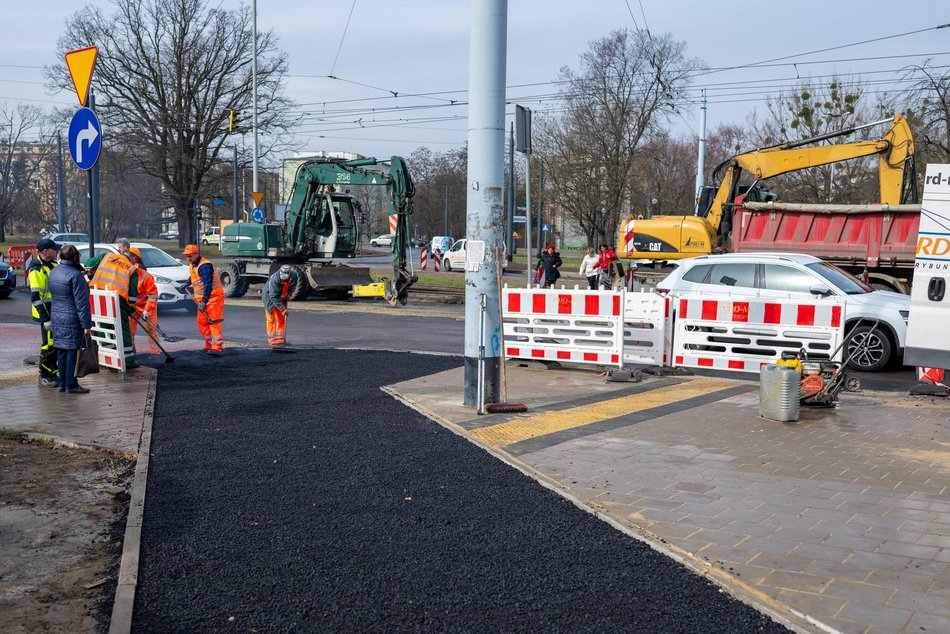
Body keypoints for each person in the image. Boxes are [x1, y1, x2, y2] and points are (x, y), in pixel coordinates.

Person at [47, 245, 92, 394]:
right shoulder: (76, 276)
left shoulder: (54, 272)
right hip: (72, 317)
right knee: (72, 351)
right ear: (75, 257)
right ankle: (71, 384)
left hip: (57, 316)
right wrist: (86, 324)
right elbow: (82, 303)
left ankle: (62, 383)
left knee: (61, 350)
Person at [85, 247, 139, 367]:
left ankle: (107, 358)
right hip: (117, 298)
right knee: (123, 328)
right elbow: (132, 293)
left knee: (102, 325)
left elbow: (89, 263)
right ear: (133, 257)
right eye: (136, 261)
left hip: (97, 294)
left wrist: (92, 272)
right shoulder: (132, 269)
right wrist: (131, 307)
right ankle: (128, 360)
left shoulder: (106, 256)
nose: (136, 263)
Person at [28, 238, 61, 387]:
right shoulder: (36, 268)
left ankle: (52, 373)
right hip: (47, 314)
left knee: (54, 344)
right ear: (46, 251)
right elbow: (35, 297)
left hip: (55, 311)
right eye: (54, 249)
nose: (57, 251)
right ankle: (45, 375)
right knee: (48, 345)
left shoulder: (53, 264)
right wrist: (46, 319)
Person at [182, 244, 225, 356]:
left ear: (196, 254)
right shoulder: (193, 265)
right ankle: (209, 345)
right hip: (202, 300)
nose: (188, 259)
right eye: (186, 256)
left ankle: (217, 348)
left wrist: (204, 302)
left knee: (213, 322)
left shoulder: (205, 266)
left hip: (214, 298)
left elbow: (208, 285)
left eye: (190, 256)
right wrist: (187, 283)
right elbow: (194, 276)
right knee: (202, 322)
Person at [128, 248, 161, 355]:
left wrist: (146, 310)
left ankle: (155, 352)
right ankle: (131, 351)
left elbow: (153, 295)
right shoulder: (126, 275)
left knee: (151, 329)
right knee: (129, 330)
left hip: (147, 306)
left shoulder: (146, 277)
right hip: (133, 306)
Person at [261, 264, 297, 351]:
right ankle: (272, 341)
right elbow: (273, 297)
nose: (283, 280)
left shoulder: (294, 275)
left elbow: (292, 285)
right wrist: (282, 309)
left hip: (281, 295)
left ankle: (280, 340)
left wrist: (288, 294)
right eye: (282, 279)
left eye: (285, 279)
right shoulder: (275, 279)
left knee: (281, 318)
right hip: (269, 297)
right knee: (271, 318)